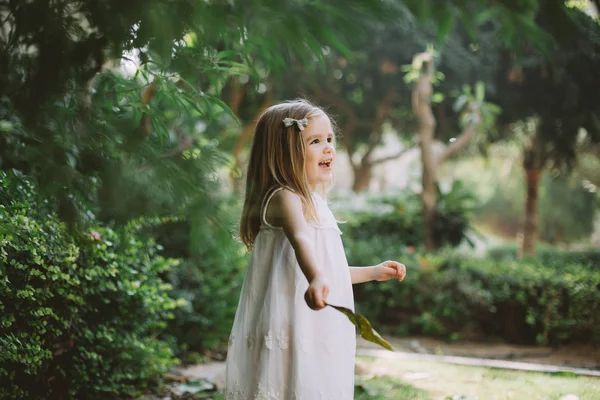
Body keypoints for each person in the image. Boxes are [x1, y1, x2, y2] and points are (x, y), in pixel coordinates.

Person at [225, 99, 406, 400]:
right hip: (292, 322)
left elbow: (328, 272)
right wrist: (315, 276)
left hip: (318, 324)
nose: (328, 148)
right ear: (285, 153)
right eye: (315, 141)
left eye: (330, 140)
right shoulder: (285, 198)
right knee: (290, 384)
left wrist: (373, 273)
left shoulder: (315, 202)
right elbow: (301, 241)